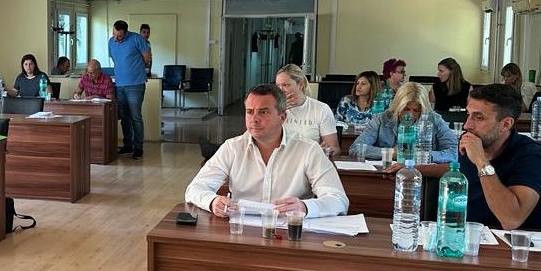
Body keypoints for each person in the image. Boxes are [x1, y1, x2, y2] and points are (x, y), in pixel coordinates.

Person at [185, 84, 348, 219]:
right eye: (250, 112)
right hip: (242, 233)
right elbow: (195, 188)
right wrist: (212, 201)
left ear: (282, 118)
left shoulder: (308, 149)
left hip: (289, 234)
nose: (254, 119)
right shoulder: (232, 148)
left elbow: (338, 199)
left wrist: (305, 207)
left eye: (263, 112)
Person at [460, 83, 541, 230]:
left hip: (516, 242)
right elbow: (456, 169)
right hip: (470, 236)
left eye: (479, 118)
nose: (467, 125)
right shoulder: (473, 142)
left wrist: (481, 161)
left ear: (505, 124)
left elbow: (511, 219)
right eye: (468, 115)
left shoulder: (532, 156)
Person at [348, 81, 458, 164]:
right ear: (397, 107)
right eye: (405, 109)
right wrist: (392, 153)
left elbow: (454, 152)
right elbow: (356, 148)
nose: (410, 115)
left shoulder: (434, 120)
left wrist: (422, 155)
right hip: (386, 174)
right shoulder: (381, 119)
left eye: (416, 110)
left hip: (422, 175)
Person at [274, 64, 340, 156]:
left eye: (286, 85)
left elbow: (335, 149)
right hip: (280, 159)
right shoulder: (273, 109)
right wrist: (279, 111)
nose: (281, 90)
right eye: (278, 86)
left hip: (309, 160)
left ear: (301, 84)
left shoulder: (321, 109)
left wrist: (325, 151)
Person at [108, 20, 151, 159]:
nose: (116, 38)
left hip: (136, 84)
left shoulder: (136, 39)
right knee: (124, 117)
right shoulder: (111, 42)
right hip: (120, 84)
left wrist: (135, 68)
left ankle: (138, 147)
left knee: (135, 116)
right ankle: (128, 145)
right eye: (114, 34)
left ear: (126, 33)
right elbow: (115, 59)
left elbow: (147, 58)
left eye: (119, 36)